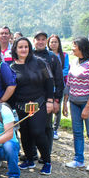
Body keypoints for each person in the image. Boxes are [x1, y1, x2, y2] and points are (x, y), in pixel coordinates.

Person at [10, 37, 54, 175]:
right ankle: (29, 159)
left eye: (26, 47)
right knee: (25, 133)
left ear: (29, 48)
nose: (23, 49)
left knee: (38, 131)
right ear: (15, 49)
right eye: (20, 47)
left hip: (39, 103)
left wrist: (50, 100)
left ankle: (47, 161)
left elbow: (50, 81)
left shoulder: (40, 63)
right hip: (21, 105)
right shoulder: (12, 67)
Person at [63, 37, 89, 172]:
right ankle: (78, 159)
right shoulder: (74, 62)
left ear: (81, 47)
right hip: (73, 102)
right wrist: (65, 102)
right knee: (77, 132)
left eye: (74, 45)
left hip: (87, 102)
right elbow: (69, 83)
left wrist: (88, 106)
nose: (72, 48)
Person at [33, 31, 64, 160]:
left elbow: (59, 81)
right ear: (33, 41)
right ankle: (32, 153)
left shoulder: (52, 57)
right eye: (38, 39)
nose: (40, 42)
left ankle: (46, 154)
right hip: (31, 97)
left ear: (46, 41)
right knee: (31, 126)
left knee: (47, 126)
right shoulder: (28, 55)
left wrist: (56, 100)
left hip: (48, 98)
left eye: (43, 39)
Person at [48, 34, 69, 140]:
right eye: (51, 42)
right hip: (48, 85)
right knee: (48, 106)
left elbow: (66, 69)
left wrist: (57, 74)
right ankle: (48, 127)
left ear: (59, 43)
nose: (53, 44)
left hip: (60, 84)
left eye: (55, 42)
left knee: (57, 106)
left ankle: (55, 129)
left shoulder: (64, 55)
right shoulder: (46, 55)